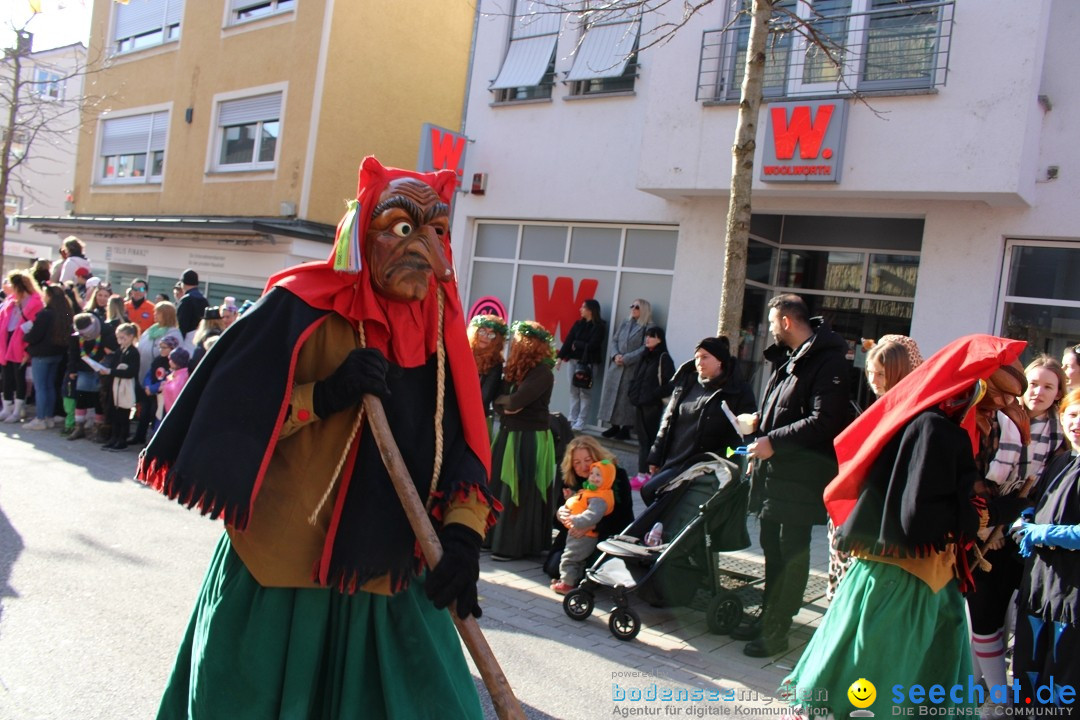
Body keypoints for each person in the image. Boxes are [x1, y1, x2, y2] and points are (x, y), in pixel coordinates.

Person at [135, 157, 495, 718]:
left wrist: (464, 538)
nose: (421, 245)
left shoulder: (442, 333)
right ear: (360, 233)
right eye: (402, 227)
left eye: (437, 231)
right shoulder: (298, 307)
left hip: (389, 575)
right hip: (283, 570)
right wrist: (322, 396)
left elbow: (466, 447)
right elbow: (233, 415)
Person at [781, 334, 1029, 718]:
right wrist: (995, 513)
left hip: (911, 576)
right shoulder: (936, 429)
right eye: (998, 397)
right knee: (875, 680)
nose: (1003, 407)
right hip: (904, 581)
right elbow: (921, 516)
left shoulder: (923, 419)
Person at [737, 294, 853, 657]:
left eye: (772, 322)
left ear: (786, 321)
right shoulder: (791, 358)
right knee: (773, 548)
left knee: (792, 553)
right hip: (777, 473)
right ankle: (767, 615)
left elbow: (824, 420)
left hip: (801, 477)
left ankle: (778, 629)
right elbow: (788, 407)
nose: (770, 328)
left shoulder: (828, 361)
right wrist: (761, 422)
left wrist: (773, 440)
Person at [967, 354, 1068, 700]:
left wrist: (1012, 522)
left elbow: (1050, 491)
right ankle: (983, 692)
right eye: (1034, 383)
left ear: (1059, 394)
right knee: (981, 615)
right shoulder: (1001, 418)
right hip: (987, 527)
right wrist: (989, 523)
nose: (1038, 392)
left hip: (1026, 533)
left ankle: (989, 693)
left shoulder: (1062, 434)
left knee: (1001, 618)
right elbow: (980, 473)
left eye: (1048, 387)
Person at [825, 334, 923, 599]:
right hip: (854, 508)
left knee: (858, 591)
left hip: (874, 515)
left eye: (881, 374)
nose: (874, 381)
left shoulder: (910, 412)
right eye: (870, 372)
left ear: (900, 371)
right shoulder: (886, 405)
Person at [1011, 387, 1080, 706]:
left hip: (1071, 592)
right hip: (1038, 584)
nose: (1076, 422)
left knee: (1063, 681)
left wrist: (1040, 533)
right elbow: (1037, 504)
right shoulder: (1062, 459)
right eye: (1072, 414)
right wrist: (1023, 519)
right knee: (1028, 673)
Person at [641, 336, 756, 506]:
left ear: (720, 361)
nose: (699, 362)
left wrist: (741, 461)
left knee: (675, 507)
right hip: (676, 460)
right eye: (697, 358)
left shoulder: (738, 390)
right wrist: (655, 456)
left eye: (705, 357)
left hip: (710, 466)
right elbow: (668, 420)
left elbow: (747, 431)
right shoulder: (686, 383)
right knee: (649, 492)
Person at [488, 320, 557, 560]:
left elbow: (515, 402)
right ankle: (492, 538)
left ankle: (513, 545)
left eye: (517, 340)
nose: (512, 344)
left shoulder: (542, 373)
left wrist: (508, 403)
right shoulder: (514, 369)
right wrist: (506, 404)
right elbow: (499, 402)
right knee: (499, 485)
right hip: (508, 434)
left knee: (520, 488)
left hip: (530, 439)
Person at [546, 435, 635, 580]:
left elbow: (624, 516)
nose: (584, 467)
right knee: (554, 568)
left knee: (594, 569)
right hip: (573, 538)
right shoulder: (570, 478)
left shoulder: (617, 475)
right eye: (577, 463)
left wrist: (591, 526)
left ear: (597, 457)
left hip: (604, 535)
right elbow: (556, 522)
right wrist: (560, 514)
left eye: (588, 460)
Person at [553, 459, 616, 594]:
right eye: (592, 473)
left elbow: (592, 515)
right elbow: (581, 502)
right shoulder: (593, 491)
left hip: (583, 535)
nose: (593, 477)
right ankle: (572, 581)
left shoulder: (600, 498)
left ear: (608, 478)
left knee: (570, 558)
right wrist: (570, 498)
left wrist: (575, 520)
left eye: (599, 475)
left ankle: (566, 584)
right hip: (579, 533)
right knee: (578, 560)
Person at [627, 325, 675, 487]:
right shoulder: (644, 356)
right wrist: (632, 394)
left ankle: (648, 473)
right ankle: (642, 473)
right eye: (647, 336)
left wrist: (652, 395)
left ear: (660, 339)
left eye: (652, 336)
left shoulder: (663, 358)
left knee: (650, 439)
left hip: (653, 406)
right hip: (640, 403)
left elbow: (670, 384)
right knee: (642, 439)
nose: (647, 339)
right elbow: (635, 378)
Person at [23, 285, 75, 430]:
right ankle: (49, 417)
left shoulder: (45, 314)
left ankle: (40, 418)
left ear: (50, 296)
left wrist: (26, 335)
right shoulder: (65, 313)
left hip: (42, 354)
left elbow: (35, 335)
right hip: (57, 354)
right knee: (50, 386)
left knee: (41, 387)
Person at [599, 299, 650, 440]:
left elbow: (645, 347)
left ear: (644, 309)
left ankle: (626, 428)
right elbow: (614, 340)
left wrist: (627, 358)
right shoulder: (625, 323)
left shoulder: (648, 326)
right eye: (631, 305)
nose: (633, 308)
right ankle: (614, 425)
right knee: (612, 396)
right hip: (616, 366)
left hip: (631, 368)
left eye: (637, 307)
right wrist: (615, 355)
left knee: (625, 399)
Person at [0, 271, 44, 424]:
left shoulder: (35, 302)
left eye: (12, 285)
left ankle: (18, 410)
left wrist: (27, 349)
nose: (10, 288)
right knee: (6, 376)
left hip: (22, 342)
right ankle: (7, 408)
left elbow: (33, 327)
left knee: (19, 378)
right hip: (7, 340)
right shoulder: (10, 301)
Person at [556, 299, 605, 431]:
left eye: (583, 307)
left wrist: (577, 344)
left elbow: (593, 345)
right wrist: (560, 357)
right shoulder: (578, 324)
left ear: (591, 310)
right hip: (573, 361)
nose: (580, 309)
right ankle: (572, 418)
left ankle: (581, 421)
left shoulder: (599, 326)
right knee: (573, 390)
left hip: (588, 364)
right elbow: (568, 341)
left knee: (584, 391)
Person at [98, 322, 140, 451]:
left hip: (125, 386)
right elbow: (114, 367)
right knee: (114, 413)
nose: (120, 341)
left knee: (123, 414)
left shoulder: (133, 352)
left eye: (123, 338)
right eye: (119, 338)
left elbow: (131, 372)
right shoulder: (119, 351)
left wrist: (111, 372)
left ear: (131, 336)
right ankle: (114, 438)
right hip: (116, 385)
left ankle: (122, 439)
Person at [66, 313, 107, 440]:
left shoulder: (103, 329)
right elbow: (73, 351)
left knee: (98, 399)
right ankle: (79, 427)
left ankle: (98, 428)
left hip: (99, 369)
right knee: (81, 398)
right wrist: (72, 369)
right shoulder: (76, 334)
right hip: (83, 369)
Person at [133, 334, 179, 444]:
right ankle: (139, 437)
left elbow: (168, 379)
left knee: (156, 416)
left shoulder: (173, 362)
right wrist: (148, 386)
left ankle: (152, 442)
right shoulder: (158, 360)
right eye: (160, 347)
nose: (161, 350)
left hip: (161, 395)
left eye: (164, 347)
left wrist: (153, 388)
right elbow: (149, 374)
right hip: (150, 392)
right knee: (144, 414)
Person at [468, 314, 508, 434]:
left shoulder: (495, 363)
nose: (485, 337)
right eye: (482, 331)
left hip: (476, 419)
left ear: (497, 340)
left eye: (491, 334)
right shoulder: (465, 352)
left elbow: (484, 398)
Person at [136, 301, 184, 389]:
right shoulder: (151, 329)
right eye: (155, 312)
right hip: (144, 373)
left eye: (158, 313)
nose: (154, 314)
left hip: (160, 379)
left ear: (166, 315)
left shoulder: (174, 334)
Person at [175, 269, 208, 344]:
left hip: (187, 341)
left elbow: (181, 325)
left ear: (183, 283)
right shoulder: (203, 299)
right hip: (200, 339)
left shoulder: (186, 299)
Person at [159, 347, 190, 416]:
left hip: (175, 414)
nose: (169, 361)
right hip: (168, 410)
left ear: (176, 361)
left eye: (171, 359)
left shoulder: (182, 377)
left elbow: (176, 396)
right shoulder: (176, 374)